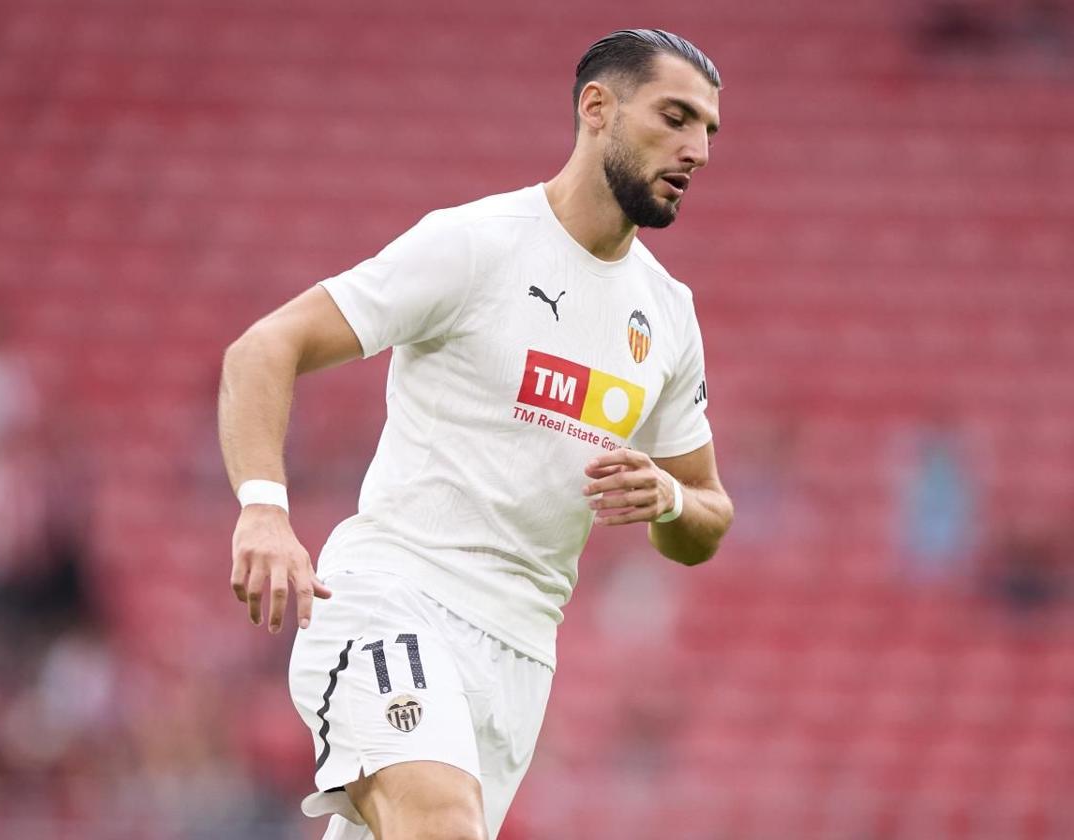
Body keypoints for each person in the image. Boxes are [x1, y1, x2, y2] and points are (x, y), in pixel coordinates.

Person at [218, 29, 734, 840]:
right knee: (440, 825)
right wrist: (263, 508)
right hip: (393, 599)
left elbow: (705, 518)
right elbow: (263, 348)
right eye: (675, 117)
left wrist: (668, 497)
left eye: (708, 129)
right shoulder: (477, 244)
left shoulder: (668, 315)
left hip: (519, 661)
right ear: (597, 108)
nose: (697, 148)